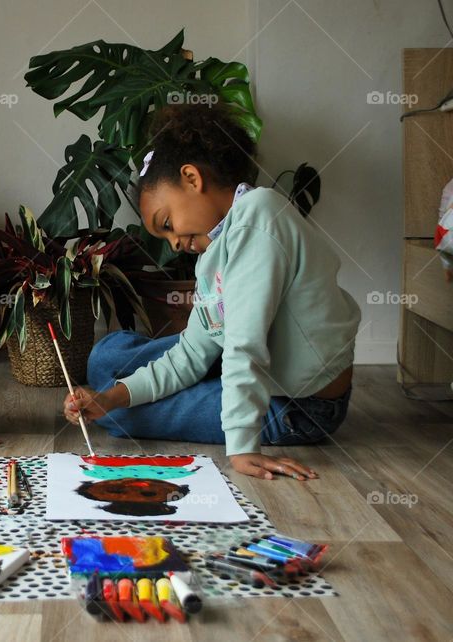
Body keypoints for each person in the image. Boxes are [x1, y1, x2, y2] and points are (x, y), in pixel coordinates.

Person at [63, 104, 359, 480]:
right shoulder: (211, 257)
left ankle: (188, 401)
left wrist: (242, 446)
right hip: (259, 375)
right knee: (106, 359)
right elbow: (190, 355)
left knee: (120, 416)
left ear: (191, 178)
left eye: (167, 223)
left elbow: (244, 346)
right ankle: (117, 392)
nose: (172, 244)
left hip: (298, 407)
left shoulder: (259, 216)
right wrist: (108, 398)